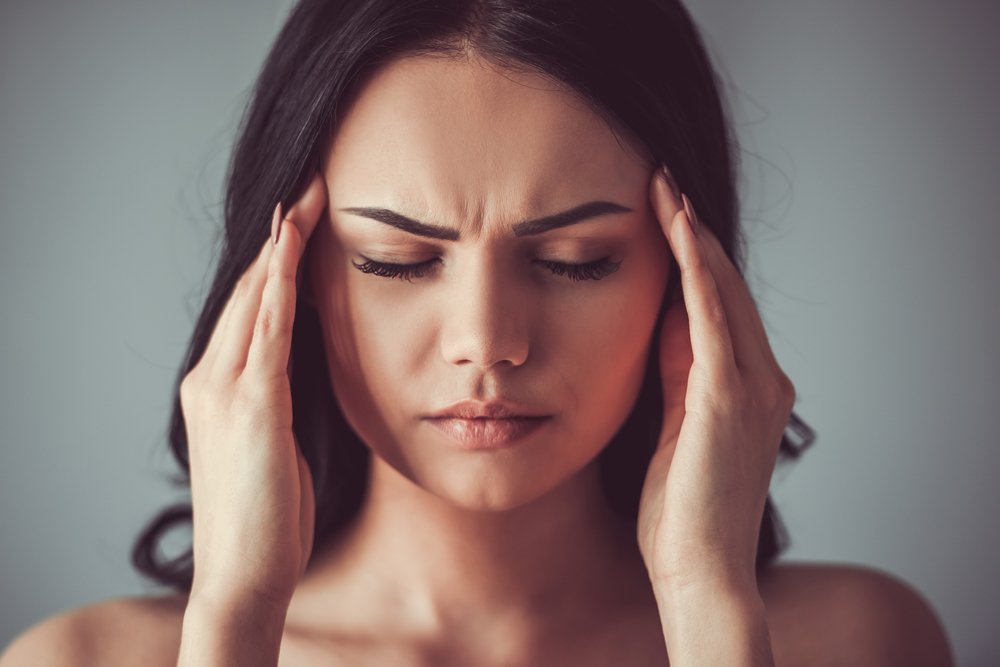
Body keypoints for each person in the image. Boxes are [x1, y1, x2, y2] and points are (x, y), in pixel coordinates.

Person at [1, 0, 953, 665]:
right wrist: (236, 624)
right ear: (285, 279)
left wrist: (710, 610)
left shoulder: (860, 643)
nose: (487, 340)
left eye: (576, 258)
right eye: (397, 261)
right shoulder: (81, 661)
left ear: (691, 275)